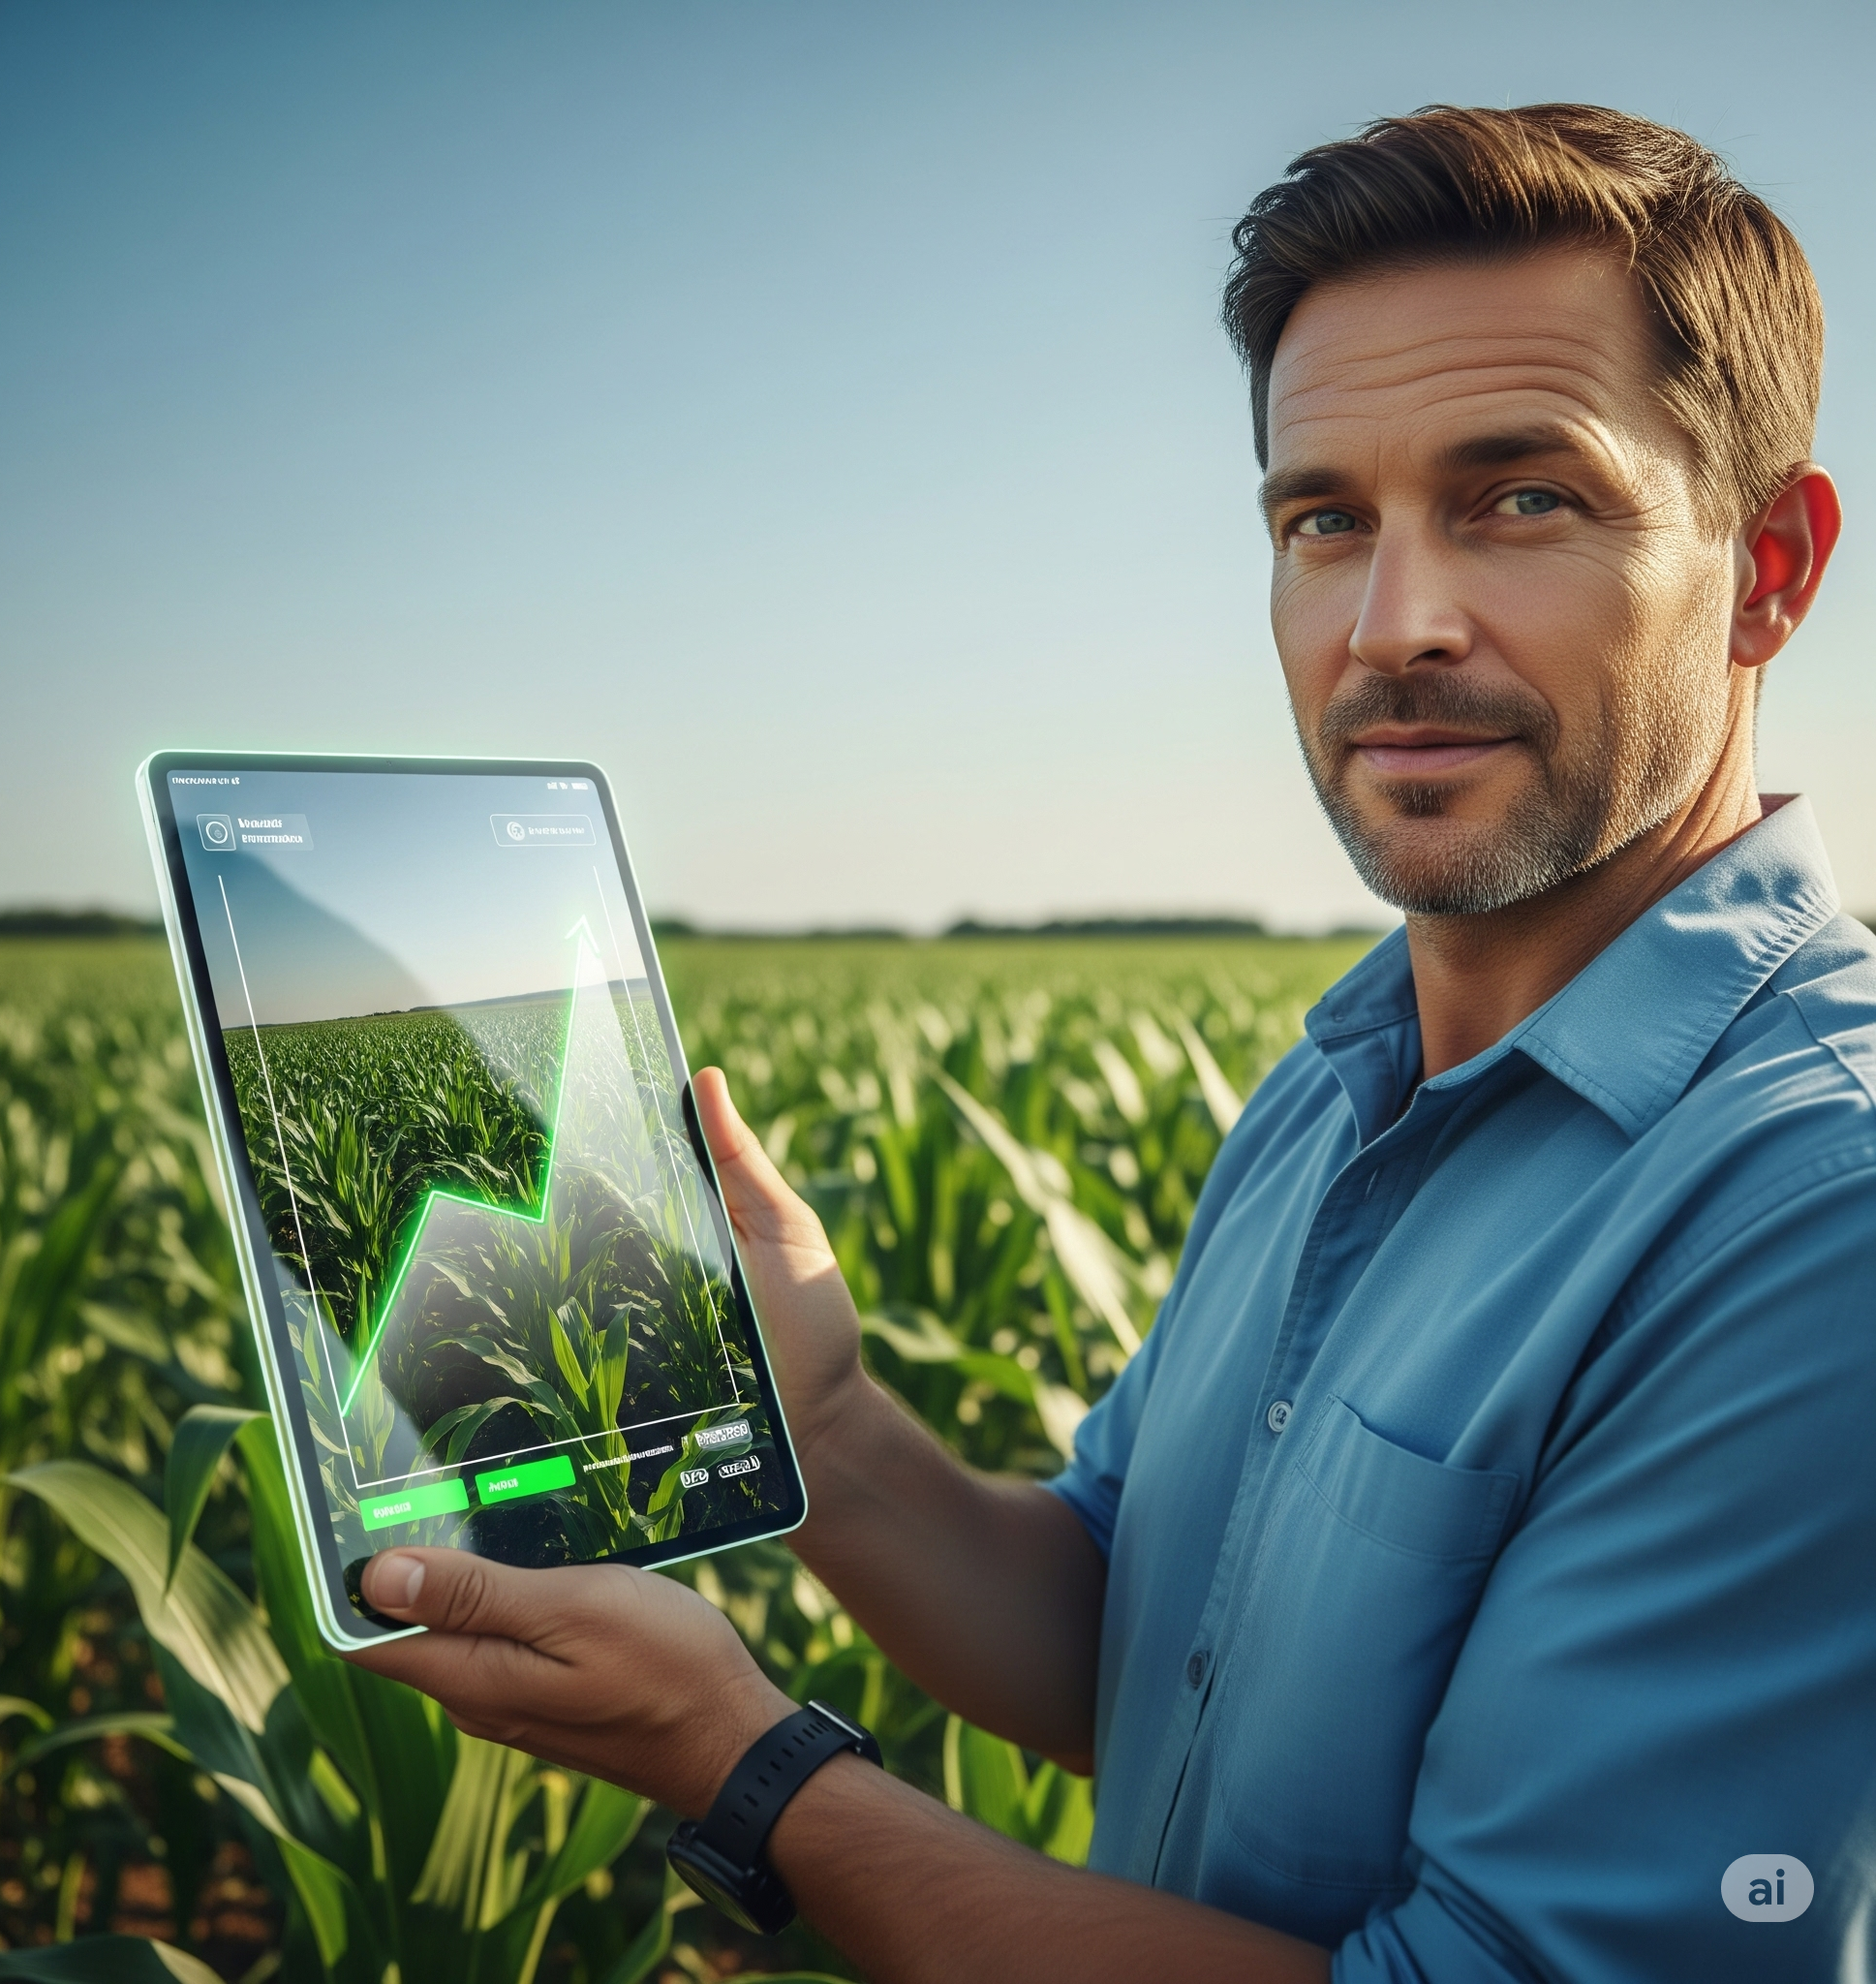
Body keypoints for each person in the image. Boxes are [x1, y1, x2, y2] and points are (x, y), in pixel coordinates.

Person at [348, 104, 1876, 1980]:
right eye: (1325, 519)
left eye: (1521, 498)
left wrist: (753, 1776)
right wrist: (816, 1412)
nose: (1390, 626)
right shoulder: (1335, 1088)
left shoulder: (1819, 1205)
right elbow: (1130, 1643)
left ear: (1773, 568)